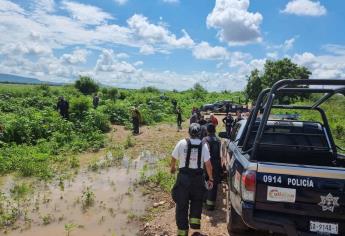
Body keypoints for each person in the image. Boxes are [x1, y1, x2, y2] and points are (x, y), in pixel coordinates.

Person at [171, 123, 213, 236]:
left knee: (182, 205)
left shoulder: (181, 143)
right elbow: (208, 165)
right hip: (198, 180)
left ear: (189, 132)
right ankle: (194, 226)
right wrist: (211, 179)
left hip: (183, 179)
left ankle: (182, 232)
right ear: (199, 133)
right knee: (197, 201)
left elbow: (173, 158)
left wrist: (173, 168)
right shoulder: (203, 145)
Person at [203, 124, 222, 211]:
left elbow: (205, 154)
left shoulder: (205, 139)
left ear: (207, 130)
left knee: (206, 180)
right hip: (217, 163)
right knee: (213, 183)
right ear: (214, 130)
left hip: (208, 163)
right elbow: (221, 154)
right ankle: (211, 205)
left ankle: (205, 202)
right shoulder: (219, 140)